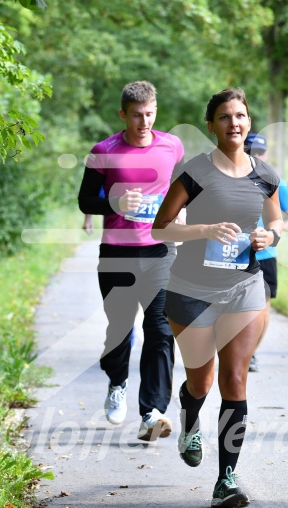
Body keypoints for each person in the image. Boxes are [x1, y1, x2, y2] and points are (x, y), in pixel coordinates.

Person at [152, 88, 283, 508]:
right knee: (201, 381)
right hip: (190, 288)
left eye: (241, 115)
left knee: (234, 379)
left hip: (244, 286)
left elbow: (277, 219)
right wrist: (204, 231)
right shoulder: (195, 172)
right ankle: (190, 410)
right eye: (225, 117)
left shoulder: (266, 174)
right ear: (211, 125)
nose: (234, 123)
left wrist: (270, 235)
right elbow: (161, 228)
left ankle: (226, 478)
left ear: (248, 122)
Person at [78, 80, 184, 441]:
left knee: (160, 328)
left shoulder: (172, 145)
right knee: (120, 329)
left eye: (150, 113)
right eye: (137, 115)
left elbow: (177, 190)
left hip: (160, 252)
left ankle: (152, 412)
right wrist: (114, 204)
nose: (144, 122)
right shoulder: (103, 150)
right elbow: (84, 201)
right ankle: (117, 382)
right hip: (117, 253)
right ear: (123, 114)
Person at [244, 134, 288, 372]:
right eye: (251, 151)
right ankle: (234, 348)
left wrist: (274, 232)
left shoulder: (277, 182)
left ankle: (251, 354)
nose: (256, 156)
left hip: (265, 255)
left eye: (260, 152)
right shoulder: (232, 179)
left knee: (263, 309)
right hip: (235, 253)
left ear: (265, 154)